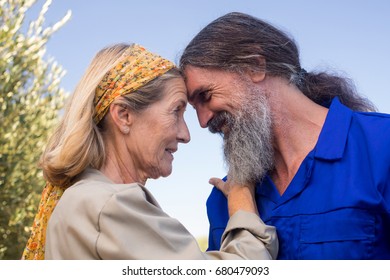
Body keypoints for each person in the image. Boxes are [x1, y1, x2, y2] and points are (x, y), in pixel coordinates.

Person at [21, 43, 278, 260]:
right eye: (176, 110)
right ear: (124, 115)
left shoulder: (83, 200)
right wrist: (242, 200)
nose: (186, 134)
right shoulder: (107, 205)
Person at [179, 12, 390, 259]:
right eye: (194, 109)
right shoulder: (225, 198)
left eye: (205, 96)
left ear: (254, 66)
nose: (203, 122)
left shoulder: (381, 144)